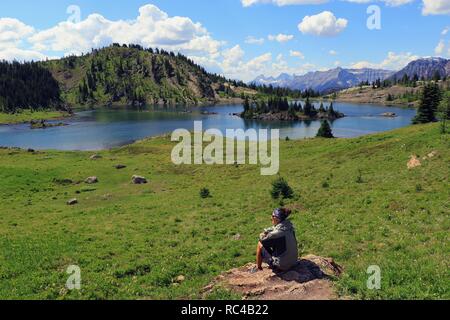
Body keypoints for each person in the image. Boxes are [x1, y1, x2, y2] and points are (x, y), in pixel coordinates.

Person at [256, 208, 298, 272]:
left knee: (260, 244)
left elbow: (262, 239)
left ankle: (258, 268)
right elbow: (276, 228)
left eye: (272, 216)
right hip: (293, 262)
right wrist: (268, 230)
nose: (271, 217)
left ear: (277, 218)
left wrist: (262, 234)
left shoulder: (276, 234)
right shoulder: (289, 226)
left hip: (282, 266)